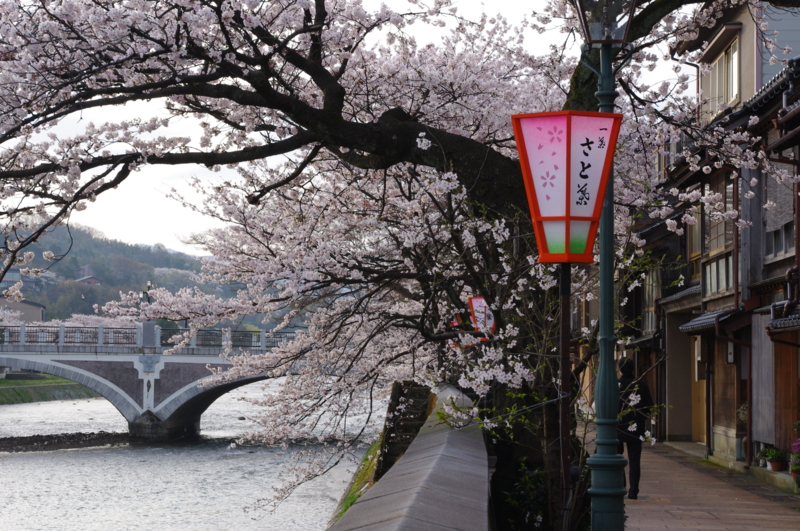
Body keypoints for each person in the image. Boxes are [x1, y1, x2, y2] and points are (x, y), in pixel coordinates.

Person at [617, 357, 654, 500]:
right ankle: (633, 491)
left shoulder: (616, 385)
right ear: (633, 369)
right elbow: (648, 407)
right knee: (634, 460)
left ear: (620, 369)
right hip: (636, 426)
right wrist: (640, 418)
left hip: (618, 426)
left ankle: (621, 485)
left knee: (616, 458)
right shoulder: (641, 385)